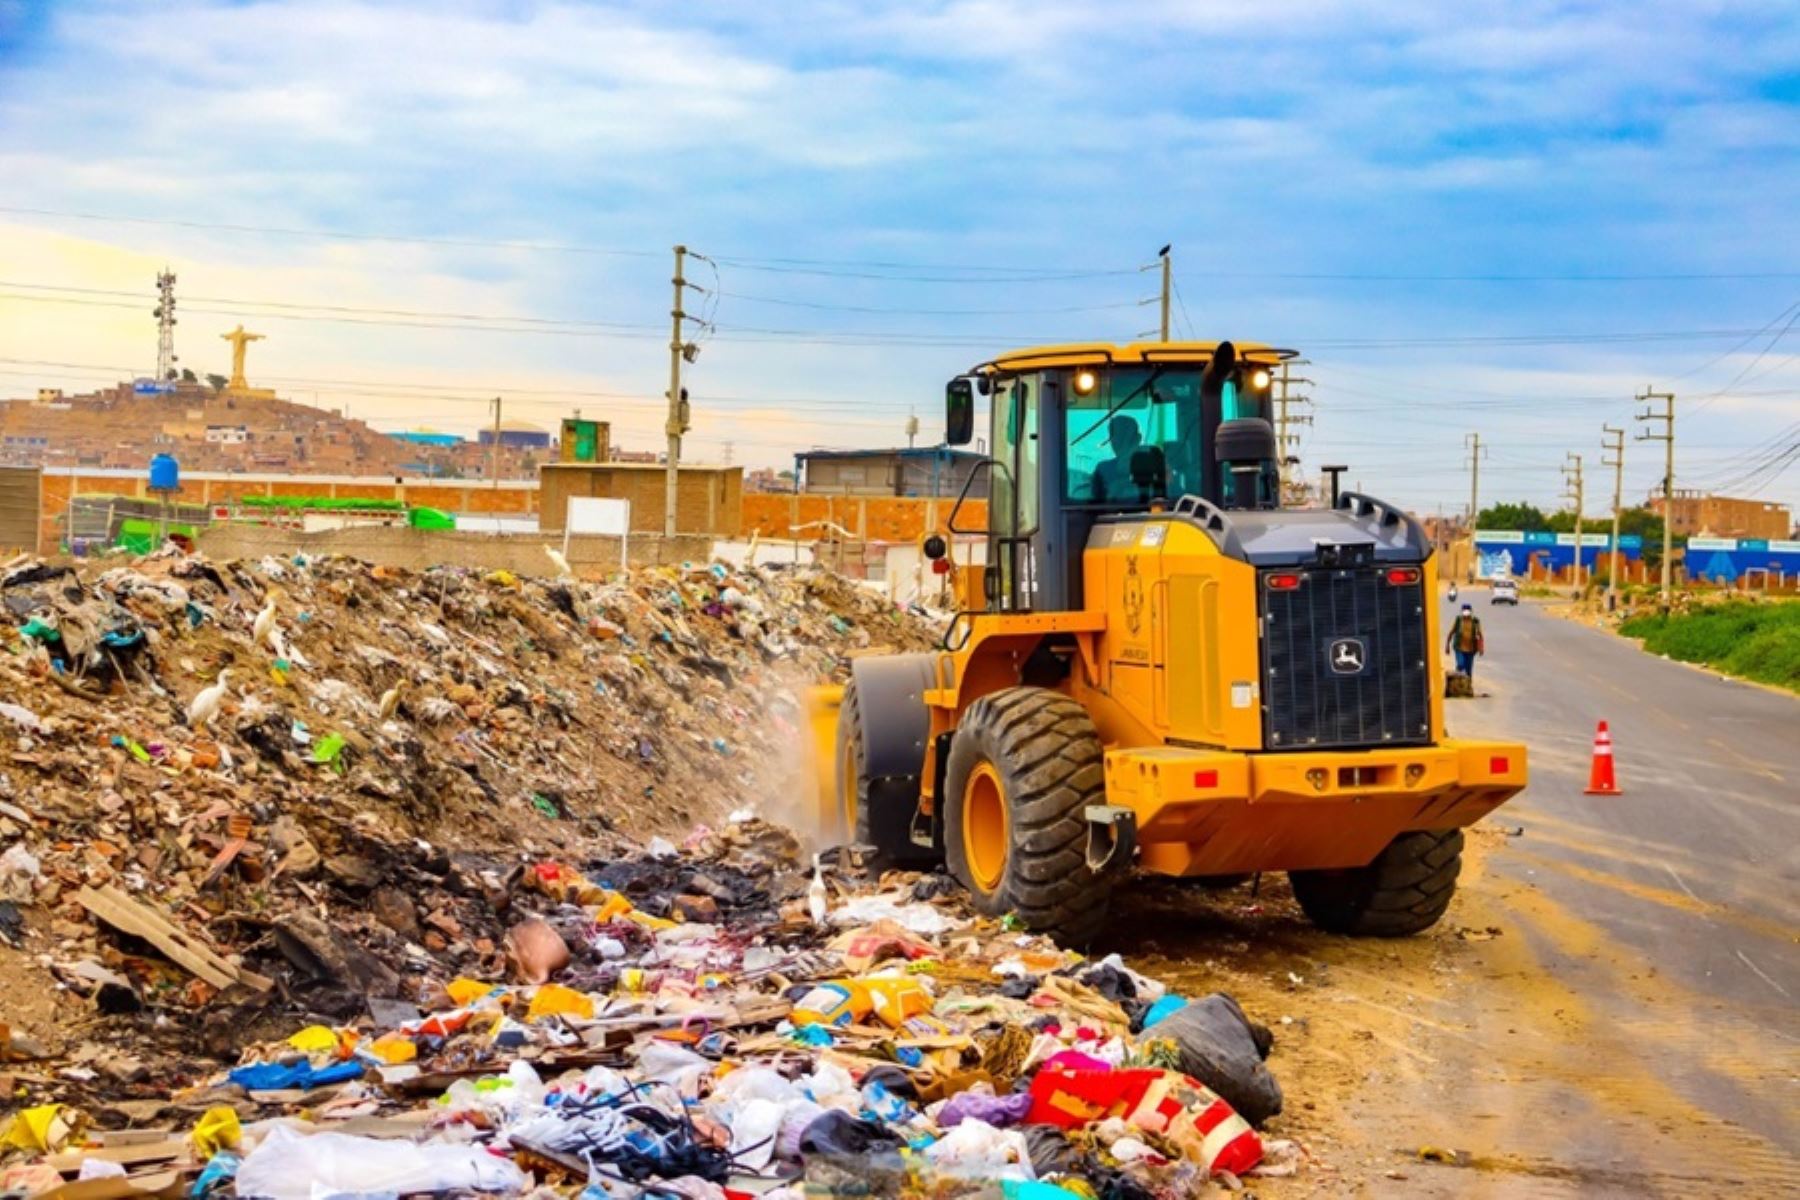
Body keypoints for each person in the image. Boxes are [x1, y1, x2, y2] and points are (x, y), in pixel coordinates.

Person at [1092, 415, 1143, 502]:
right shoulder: (1103, 470)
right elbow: (1094, 505)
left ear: (1137, 439)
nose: (1116, 442)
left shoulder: (1153, 465)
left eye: (1124, 437)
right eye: (1114, 437)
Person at [1446, 603, 1484, 681]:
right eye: (1464, 610)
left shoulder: (1475, 621)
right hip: (1459, 648)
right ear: (1462, 611)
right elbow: (1451, 632)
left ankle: (1468, 688)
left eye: (1468, 610)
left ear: (1471, 611)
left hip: (1471, 650)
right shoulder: (1458, 620)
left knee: (1468, 671)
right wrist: (1447, 646)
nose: (1466, 612)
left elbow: (1480, 635)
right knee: (1460, 664)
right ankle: (1457, 681)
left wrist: (1481, 648)